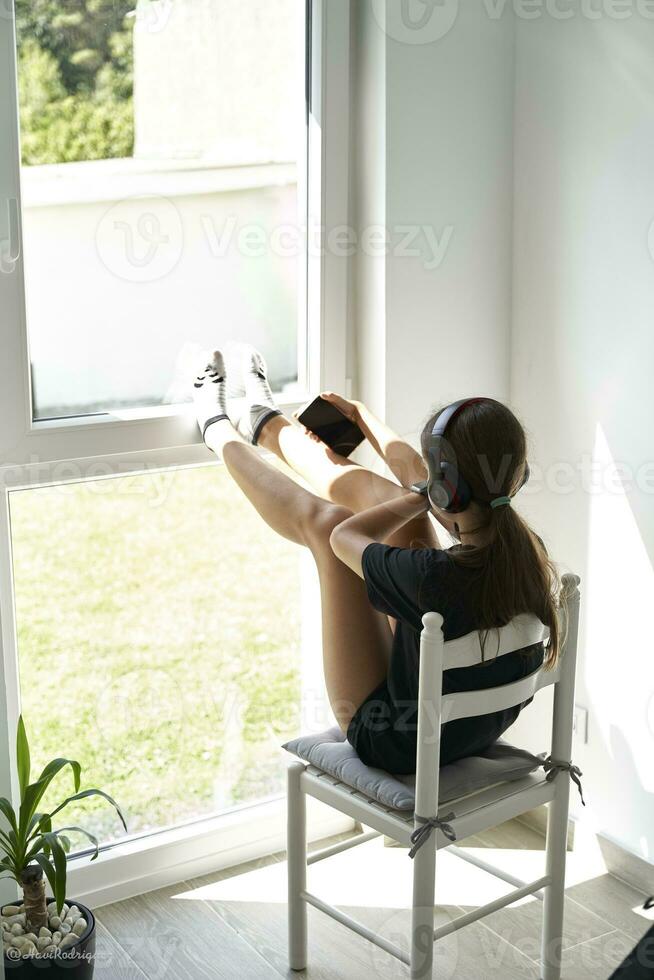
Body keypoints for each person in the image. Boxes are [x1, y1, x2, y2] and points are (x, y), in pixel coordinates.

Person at [193, 345, 562, 775]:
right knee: (395, 504)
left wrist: (416, 497)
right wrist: (363, 418)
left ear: (445, 491)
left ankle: (215, 429)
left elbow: (342, 537)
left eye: (433, 479)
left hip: (395, 739)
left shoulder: (429, 577)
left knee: (324, 521)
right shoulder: (529, 552)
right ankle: (262, 422)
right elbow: (412, 479)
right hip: (465, 723)